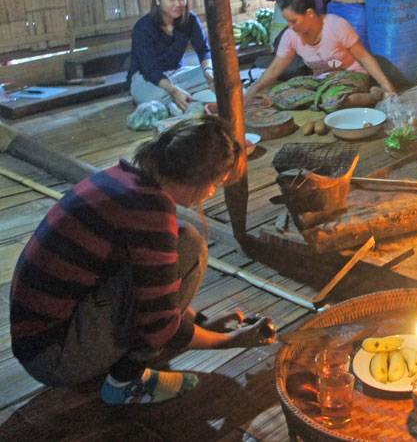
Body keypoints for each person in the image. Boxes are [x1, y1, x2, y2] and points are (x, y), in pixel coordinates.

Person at [9, 117, 277, 406]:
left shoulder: (121, 178)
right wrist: (229, 341)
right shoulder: (149, 212)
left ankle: (119, 364)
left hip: (39, 339)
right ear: (196, 177)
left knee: (182, 239)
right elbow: (159, 324)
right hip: (55, 355)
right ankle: (125, 381)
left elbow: (151, 283)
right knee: (190, 247)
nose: (211, 192)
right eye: (215, 183)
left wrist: (202, 323)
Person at [244, 0, 397, 111]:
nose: (290, 26)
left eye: (294, 21)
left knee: (332, 100)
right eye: (287, 21)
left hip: (351, 75)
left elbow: (364, 57)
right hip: (321, 82)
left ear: (309, 14)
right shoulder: (291, 35)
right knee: (277, 94)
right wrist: (253, 90)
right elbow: (275, 69)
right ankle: (325, 101)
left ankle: (374, 96)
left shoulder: (336, 25)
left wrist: (387, 86)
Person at [128, 0, 214, 116]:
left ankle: (175, 100)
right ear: (157, 0)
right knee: (151, 96)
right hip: (146, 79)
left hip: (178, 73)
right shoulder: (143, 27)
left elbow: (203, 50)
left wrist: (208, 72)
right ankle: (180, 96)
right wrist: (173, 90)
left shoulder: (191, 20)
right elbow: (150, 70)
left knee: (217, 73)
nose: (178, 4)